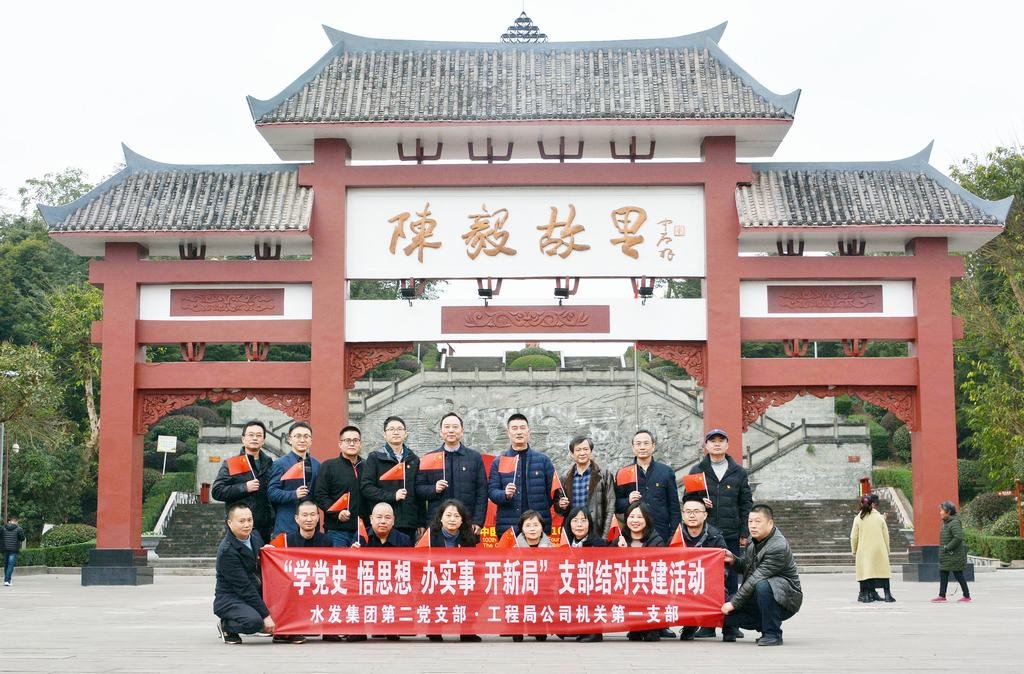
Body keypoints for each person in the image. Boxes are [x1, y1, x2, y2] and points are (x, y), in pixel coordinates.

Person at [687, 428, 752, 640]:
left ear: (727, 444)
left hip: (731, 532)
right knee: (706, 579)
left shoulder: (738, 472)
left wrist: (744, 531)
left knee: (731, 579)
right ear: (706, 445)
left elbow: (746, 503)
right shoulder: (697, 470)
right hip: (705, 535)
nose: (716, 444)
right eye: (712, 440)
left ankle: (730, 625)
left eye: (720, 440)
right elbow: (687, 500)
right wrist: (699, 501)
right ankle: (708, 624)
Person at [722, 504, 803, 646]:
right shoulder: (753, 540)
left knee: (763, 585)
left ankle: (772, 633)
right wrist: (733, 560)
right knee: (721, 612)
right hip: (759, 596)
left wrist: (734, 603)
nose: (753, 526)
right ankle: (764, 624)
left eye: (758, 521)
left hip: (785, 600)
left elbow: (756, 578)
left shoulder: (778, 547)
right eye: (750, 521)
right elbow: (746, 566)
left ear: (770, 523)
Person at [488, 413, 567, 535]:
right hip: (509, 527)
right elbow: (492, 492)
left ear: (529, 431)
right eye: (514, 428)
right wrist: (505, 494)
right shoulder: (499, 461)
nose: (519, 432)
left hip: (538, 525)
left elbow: (554, 493)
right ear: (508, 433)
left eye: (522, 428)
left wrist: (559, 504)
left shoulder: (543, 460)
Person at [213, 503, 279, 644]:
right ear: (229, 523)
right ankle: (227, 626)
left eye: (249, 520)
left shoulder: (254, 536)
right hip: (231, 598)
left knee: (281, 612)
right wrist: (266, 616)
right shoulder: (227, 551)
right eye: (241, 521)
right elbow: (244, 588)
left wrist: (266, 550)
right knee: (254, 622)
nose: (247, 525)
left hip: (255, 591)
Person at [415, 412, 488, 531]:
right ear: (440, 431)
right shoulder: (429, 458)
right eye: (447, 427)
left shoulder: (474, 458)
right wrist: (434, 489)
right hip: (436, 523)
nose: (451, 430)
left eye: (455, 427)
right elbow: (419, 490)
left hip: (466, 522)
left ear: (462, 431)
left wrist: (478, 521)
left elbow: (482, 492)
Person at [425, 499, 482, 643]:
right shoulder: (430, 537)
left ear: (462, 520)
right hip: (436, 579)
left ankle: (467, 629)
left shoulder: (469, 538)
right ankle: (434, 628)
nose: (452, 519)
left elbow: (473, 566)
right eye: (448, 515)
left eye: (457, 516)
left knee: (477, 587)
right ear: (441, 518)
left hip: (460, 579)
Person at [361, 416, 425, 541]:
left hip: (409, 523)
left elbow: (418, 492)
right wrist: (392, 496)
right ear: (385, 434)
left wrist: (421, 522)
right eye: (391, 429)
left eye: (400, 429)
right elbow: (366, 488)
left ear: (405, 433)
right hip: (383, 523)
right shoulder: (375, 458)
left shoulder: (413, 459)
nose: (396, 432)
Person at [211, 420, 276, 543]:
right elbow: (217, 491)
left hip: (264, 527)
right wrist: (244, 487)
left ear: (263, 440)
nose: (254, 438)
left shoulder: (269, 464)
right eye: (251, 435)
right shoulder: (232, 463)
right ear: (243, 439)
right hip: (240, 527)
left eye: (258, 435)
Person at [676, 493, 730, 640]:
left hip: (709, 582)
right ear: (683, 515)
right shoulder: (676, 536)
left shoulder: (715, 536)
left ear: (705, 515)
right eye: (688, 512)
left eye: (696, 511)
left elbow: (725, 567)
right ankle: (689, 624)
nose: (692, 515)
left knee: (724, 594)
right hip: (683, 582)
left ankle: (729, 627)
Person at [615, 430, 681, 543]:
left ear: (653, 446)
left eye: (646, 443)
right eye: (638, 444)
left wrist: (673, 535)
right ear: (633, 448)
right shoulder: (623, 473)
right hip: (633, 534)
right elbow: (616, 505)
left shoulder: (666, 472)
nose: (642, 447)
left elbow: (674, 507)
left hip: (661, 532)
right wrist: (628, 501)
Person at [313, 425, 366, 548]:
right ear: (340, 444)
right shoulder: (329, 466)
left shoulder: (367, 466)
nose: (352, 444)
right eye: (347, 440)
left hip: (363, 529)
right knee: (338, 560)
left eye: (355, 440)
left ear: (360, 444)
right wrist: (337, 513)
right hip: (336, 530)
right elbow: (320, 496)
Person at [268, 422, 321, 538]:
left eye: (306, 436)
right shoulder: (280, 464)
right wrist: (294, 494)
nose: (302, 440)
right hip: (287, 525)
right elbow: (272, 492)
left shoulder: (317, 465)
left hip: (311, 528)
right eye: (298, 436)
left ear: (311, 441)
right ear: (290, 439)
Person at [622, 501, 665, 642]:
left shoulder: (656, 541)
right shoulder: (620, 539)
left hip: (649, 588)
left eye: (639, 517)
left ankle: (651, 626)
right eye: (631, 516)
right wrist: (619, 551)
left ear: (647, 519)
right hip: (626, 589)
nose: (635, 520)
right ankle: (634, 625)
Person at [559, 436, 615, 539]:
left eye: (585, 449)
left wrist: (604, 536)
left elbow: (610, 508)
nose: (582, 453)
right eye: (578, 450)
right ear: (572, 454)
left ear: (591, 452)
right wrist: (561, 505)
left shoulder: (604, 475)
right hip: (573, 531)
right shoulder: (565, 478)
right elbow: (559, 509)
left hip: (596, 530)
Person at [851, 494, 894, 603]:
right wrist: (887, 549)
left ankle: (866, 596)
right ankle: (888, 595)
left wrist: (854, 550)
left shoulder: (858, 519)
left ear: (861, 504)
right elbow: (886, 535)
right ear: (872, 504)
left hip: (864, 550)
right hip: (879, 549)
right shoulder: (879, 517)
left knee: (865, 572)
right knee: (883, 572)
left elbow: (854, 537)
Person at [932, 500, 971, 603]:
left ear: (948, 512)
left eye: (942, 510)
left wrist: (947, 548)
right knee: (943, 573)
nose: (940, 512)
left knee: (958, 574)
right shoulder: (946, 522)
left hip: (953, 555)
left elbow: (958, 537)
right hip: (947, 555)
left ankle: (966, 596)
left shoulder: (954, 522)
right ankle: (942, 595)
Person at [2, 515, 26, 586]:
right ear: (16, 522)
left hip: (5, 549)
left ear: (10, 521)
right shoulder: (19, 529)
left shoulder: (3, 528)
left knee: (6, 564)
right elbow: (23, 538)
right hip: (14, 549)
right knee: (10, 565)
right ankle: (7, 580)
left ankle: (7, 580)